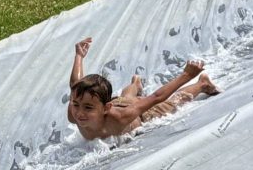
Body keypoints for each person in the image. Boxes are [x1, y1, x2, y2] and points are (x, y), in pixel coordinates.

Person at [66, 37, 220, 140]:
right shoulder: (75, 113)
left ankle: (202, 84)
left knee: (173, 103)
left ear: (106, 108)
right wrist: (79, 56)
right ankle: (135, 84)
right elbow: (75, 84)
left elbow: (156, 97)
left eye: (87, 108)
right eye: (75, 104)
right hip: (120, 103)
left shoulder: (120, 117)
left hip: (139, 115)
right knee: (126, 99)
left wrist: (186, 75)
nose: (79, 112)